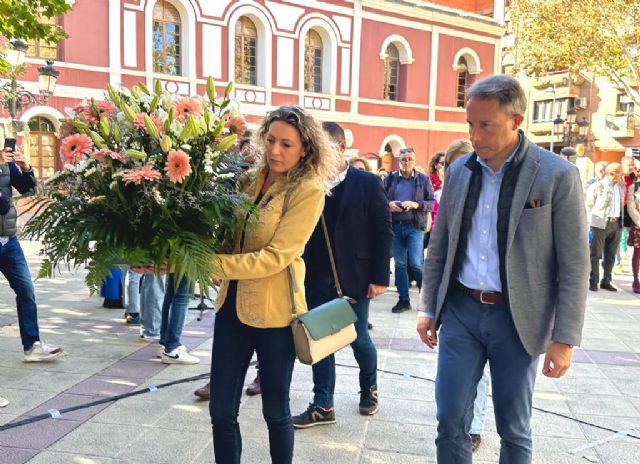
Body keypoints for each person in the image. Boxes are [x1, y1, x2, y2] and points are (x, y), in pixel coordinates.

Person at [417, 74, 589, 463]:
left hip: (518, 318)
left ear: (516, 120)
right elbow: (440, 245)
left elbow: (576, 263)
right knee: (449, 420)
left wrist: (564, 339)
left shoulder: (556, 174)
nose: (475, 136)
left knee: (513, 427)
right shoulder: (459, 172)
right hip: (461, 312)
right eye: (470, 125)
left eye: (486, 125)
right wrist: (429, 307)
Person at [208, 105, 338, 464]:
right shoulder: (248, 180)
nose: (275, 151)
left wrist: (212, 263)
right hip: (230, 307)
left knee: (275, 412)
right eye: (270, 140)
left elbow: (276, 256)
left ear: (305, 149)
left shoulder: (308, 189)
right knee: (220, 410)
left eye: (287, 144)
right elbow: (229, 238)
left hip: (276, 314)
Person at [292, 122, 392, 428]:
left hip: (354, 277)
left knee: (358, 337)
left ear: (341, 148)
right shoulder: (307, 182)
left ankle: (369, 388)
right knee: (319, 338)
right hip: (313, 275)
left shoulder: (366, 182)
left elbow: (382, 230)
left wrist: (379, 277)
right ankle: (323, 403)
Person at [0, 144, 63, 362]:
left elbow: (27, 189)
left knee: (26, 290)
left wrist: (25, 167)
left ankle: (33, 346)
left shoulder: (5, 162)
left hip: (9, 241)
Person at [384, 147, 434, 313]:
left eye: (409, 159)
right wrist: (389, 204)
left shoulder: (423, 179)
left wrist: (416, 205)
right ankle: (403, 300)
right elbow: (380, 198)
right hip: (396, 226)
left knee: (416, 264)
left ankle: (425, 299)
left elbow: (431, 203)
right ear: (399, 161)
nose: (406, 163)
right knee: (399, 264)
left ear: (414, 161)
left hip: (414, 227)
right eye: (403, 160)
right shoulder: (390, 179)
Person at [585, 162, 625, 292]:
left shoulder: (620, 187)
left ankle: (606, 280)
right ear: (612, 173)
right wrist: (591, 222)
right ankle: (593, 281)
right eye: (620, 172)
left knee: (611, 255)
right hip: (600, 223)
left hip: (616, 223)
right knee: (595, 254)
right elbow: (588, 206)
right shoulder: (597, 186)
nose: (622, 175)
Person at [626, 175, 640, 293]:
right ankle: (636, 280)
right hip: (638, 225)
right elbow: (631, 208)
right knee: (637, 254)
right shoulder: (634, 188)